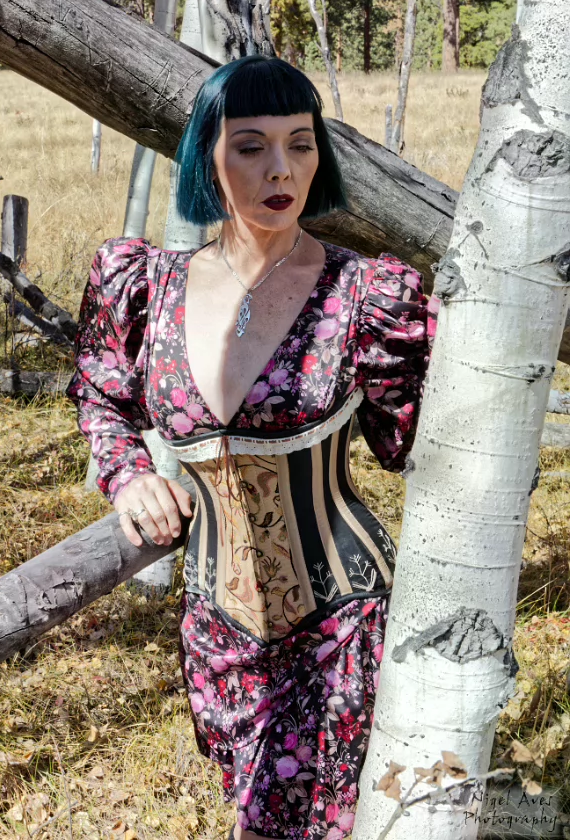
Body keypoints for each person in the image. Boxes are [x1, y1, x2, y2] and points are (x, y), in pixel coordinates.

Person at [67, 54, 438, 840]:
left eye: (301, 145)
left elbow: (411, 446)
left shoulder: (364, 295)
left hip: (341, 621)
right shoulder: (146, 286)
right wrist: (128, 474)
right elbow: (101, 396)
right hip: (216, 631)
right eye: (251, 146)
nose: (281, 169)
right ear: (206, 155)